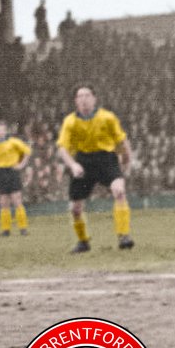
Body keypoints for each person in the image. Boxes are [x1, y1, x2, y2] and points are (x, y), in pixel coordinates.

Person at [56, 86, 135, 253]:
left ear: (94, 98)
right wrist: (73, 165)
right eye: (80, 96)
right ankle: (83, 242)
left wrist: (127, 158)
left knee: (119, 191)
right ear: (76, 101)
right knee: (75, 208)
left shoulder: (107, 117)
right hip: (83, 160)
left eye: (87, 95)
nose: (83, 99)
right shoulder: (70, 121)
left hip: (105, 158)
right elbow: (62, 148)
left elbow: (121, 140)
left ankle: (124, 236)